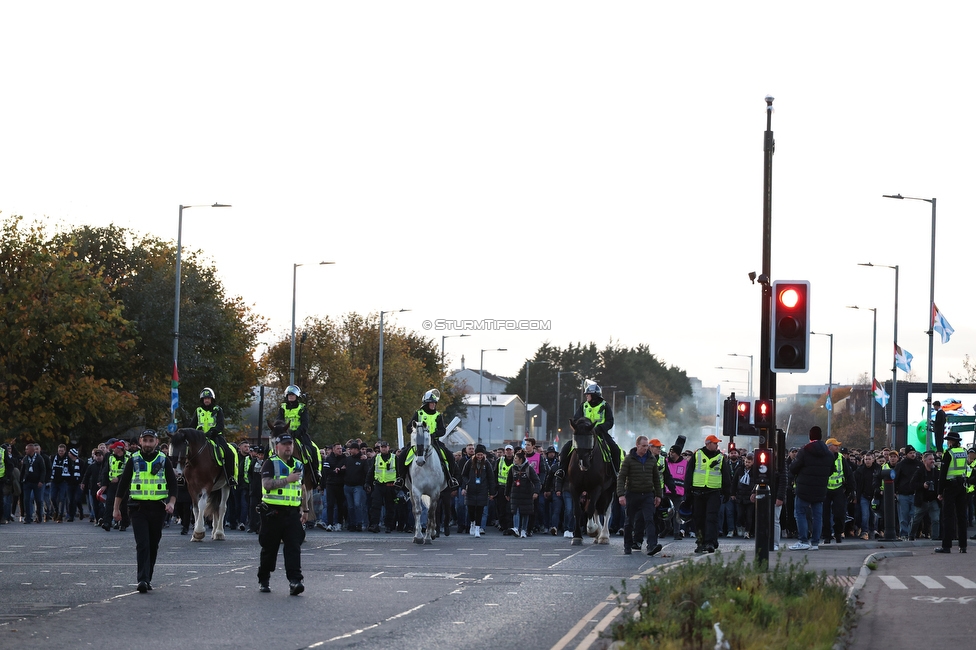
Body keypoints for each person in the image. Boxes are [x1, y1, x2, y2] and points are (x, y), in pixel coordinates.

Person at [112, 430, 177, 593]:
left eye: (151, 440)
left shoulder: (164, 460)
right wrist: (115, 508)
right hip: (137, 508)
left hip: (158, 508)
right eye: (145, 440)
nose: (148, 444)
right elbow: (123, 485)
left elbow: (173, 484)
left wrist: (172, 503)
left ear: (156, 442)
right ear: (140, 442)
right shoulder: (133, 459)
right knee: (142, 544)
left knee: (153, 544)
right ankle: (142, 579)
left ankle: (148, 577)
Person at [257, 432, 307, 594]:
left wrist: (305, 509)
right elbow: (267, 484)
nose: (288, 447)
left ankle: (295, 581)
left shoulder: (299, 464)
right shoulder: (270, 463)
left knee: (293, 547)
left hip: (292, 513)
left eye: (290, 444)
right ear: (277, 447)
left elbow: (302, 488)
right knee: (269, 549)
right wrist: (287, 480)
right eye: (285, 444)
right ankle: (264, 579)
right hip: (273, 512)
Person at [554, 384, 621, 485]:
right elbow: (576, 418)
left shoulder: (605, 406)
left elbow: (610, 421)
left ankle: (616, 474)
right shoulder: (584, 405)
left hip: (600, 433)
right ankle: (561, 470)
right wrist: (581, 427)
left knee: (615, 449)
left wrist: (599, 428)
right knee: (566, 448)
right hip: (584, 435)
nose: (586, 396)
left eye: (588, 394)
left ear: (594, 395)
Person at [394, 389, 460, 490]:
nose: (433, 405)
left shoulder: (438, 415)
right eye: (431, 403)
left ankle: (451, 479)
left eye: (434, 403)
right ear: (426, 403)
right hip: (419, 441)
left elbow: (442, 430)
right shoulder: (418, 413)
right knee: (403, 455)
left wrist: (433, 435)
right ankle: (401, 478)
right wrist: (417, 432)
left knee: (450, 456)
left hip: (434, 441)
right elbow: (408, 427)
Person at [788, 426, 834, 551]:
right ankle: (815, 543)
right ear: (821, 436)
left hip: (804, 488)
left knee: (800, 513)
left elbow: (794, 467)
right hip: (820, 489)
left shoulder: (804, 451)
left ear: (810, 436)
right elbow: (832, 470)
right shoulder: (829, 454)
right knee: (817, 516)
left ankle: (803, 540)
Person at [618, 436, 663, 556]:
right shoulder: (629, 459)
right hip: (632, 493)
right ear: (637, 445)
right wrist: (621, 494)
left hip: (647, 494)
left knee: (649, 519)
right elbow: (621, 477)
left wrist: (658, 495)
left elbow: (656, 479)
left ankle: (651, 545)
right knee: (629, 521)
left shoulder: (651, 459)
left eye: (647, 445)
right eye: (643, 446)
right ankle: (627, 545)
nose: (646, 448)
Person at [689, 435, 732, 553]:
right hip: (698, 492)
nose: (717, 445)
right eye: (715, 443)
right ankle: (700, 542)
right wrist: (688, 493)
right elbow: (689, 474)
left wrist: (727, 492)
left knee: (711, 518)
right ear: (708, 443)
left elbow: (726, 475)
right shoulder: (697, 455)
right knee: (699, 518)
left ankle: (710, 542)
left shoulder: (721, 457)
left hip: (714, 492)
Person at [190, 388, 236, 487]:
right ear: (202, 400)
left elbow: (221, 425)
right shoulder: (198, 411)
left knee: (229, 453)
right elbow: (192, 425)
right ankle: (184, 477)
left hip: (215, 436)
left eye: (208, 398)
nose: (206, 400)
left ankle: (230, 477)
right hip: (200, 438)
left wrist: (213, 431)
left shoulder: (218, 410)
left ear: (212, 399)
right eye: (204, 398)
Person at [278, 385, 320, 483]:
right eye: (289, 395)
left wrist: (296, 433)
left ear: (297, 396)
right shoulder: (282, 407)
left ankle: (315, 472)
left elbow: (305, 423)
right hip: (285, 434)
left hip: (299, 434)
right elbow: (279, 421)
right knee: (269, 448)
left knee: (312, 449)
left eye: (293, 395)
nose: (291, 396)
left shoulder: (302, 408)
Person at [935, 431, 968, 554]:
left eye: (948, 440)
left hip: (950, 486)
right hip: (962, 485)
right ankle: (963, 546)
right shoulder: (964, 452)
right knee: (962, 517)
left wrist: (939, 491)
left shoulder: (949, 453)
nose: (947, 442)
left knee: (948, 517)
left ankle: (946, 546)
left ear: (951, 441)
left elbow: (943, 474)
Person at [821, 438, 854, 545]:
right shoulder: (822, 457)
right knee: (825, 515)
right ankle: (826, 536)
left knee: (839, 513)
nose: (838, 447)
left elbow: (848, 474)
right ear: (829, 446)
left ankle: (838, 533)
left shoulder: (841, 458)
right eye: (835, 445)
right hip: (825, 490)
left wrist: (851, 490)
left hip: (839, 489)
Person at [461, 444, 496, 538]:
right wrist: (466, 483)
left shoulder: (487, 463)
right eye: (478, 455)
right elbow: (464, 475)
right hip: (471, 489)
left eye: (481, 455)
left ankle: (477, 528)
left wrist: (492, 492)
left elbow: (491, 478)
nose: (480, 457)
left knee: (480, 509)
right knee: (471, 509)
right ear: (475, 455)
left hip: (482, 490)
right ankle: (472, 523)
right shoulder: (469, 462)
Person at [506, 449, 541, 538]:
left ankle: (524, 530)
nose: (514, 460)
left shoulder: (529, 469)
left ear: (521, 459)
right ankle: (516, 528)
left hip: (527, 494)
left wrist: (536, 492)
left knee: (525, 513)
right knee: (515, 512)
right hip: (515, 494)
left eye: (516, 458)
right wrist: (506, 493)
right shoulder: (512, 468)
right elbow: (509, 482)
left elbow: (537, 481)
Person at [366, 441, 397, 533]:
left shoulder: (394, 458)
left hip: (390, 486)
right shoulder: (376, 457)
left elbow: (399, 472)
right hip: (379, 485)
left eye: (385, 447)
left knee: (390, 507)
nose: (383, 448)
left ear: (388, 447)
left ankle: (388, 526)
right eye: (382, 447)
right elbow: (371, 471)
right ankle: (375, 525)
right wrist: (367, 483)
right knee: (375, 506)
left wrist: (399, 487)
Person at [911, 451, 941, 540]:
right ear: (924, 461)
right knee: (916, 520)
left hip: (933, 500)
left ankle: (935, 537)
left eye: (933, 459)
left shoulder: (936, 472)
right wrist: (922, 485)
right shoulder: (919, 472)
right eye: (930, 459)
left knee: (936, 519)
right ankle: (911, 535)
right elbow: (912, 484)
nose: (932, 461)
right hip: (922, 500)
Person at [893, 444, 920, 539]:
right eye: (910, 453)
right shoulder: (901, 465)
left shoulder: (919, 464)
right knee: (903, 516)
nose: (913, 455)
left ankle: (911, 534)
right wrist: (894, 491)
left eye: (914, 453)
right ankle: (904, 534)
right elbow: (895, 479)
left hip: (915, 494)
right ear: (906, 454)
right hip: (903, 494)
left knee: (914, 516)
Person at [101, 441, 129, 531]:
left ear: (119, 449)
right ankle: (107, 522)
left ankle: (124, 523)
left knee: (123, 504)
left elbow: (130, 472)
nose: (112, 449)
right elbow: (106, 470)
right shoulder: (110, 457)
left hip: (124, 484)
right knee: (109, 503)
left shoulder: (128, 457)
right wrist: (104, 484)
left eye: (114, 448)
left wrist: (119, 478)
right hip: (112, 484)